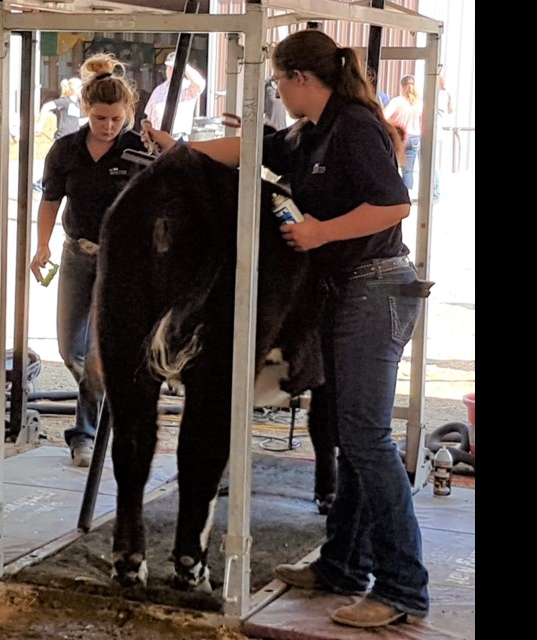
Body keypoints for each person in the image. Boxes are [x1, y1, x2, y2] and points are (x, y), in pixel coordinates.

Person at [146, 29, 430, 629]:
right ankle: (343, 567)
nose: (277, 90)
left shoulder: (355, 124)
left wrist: (321, 233)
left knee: (367, 439)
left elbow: (395, 204)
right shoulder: (309, 133)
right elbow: (255, 147)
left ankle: (404, 588)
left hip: (374, 287)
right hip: (343, 291)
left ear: (302, 78)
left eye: (278, 80)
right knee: (354, 442)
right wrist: (179, 154)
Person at [29, 53, 146, 467]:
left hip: (121, 262)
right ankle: (108, 395)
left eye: (116, 118)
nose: (109, 126)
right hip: (77, 253)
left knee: (99, 353)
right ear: (86, 110)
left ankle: (86, 434)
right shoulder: (66, 150)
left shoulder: (137, 151)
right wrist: (41, 245)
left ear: (128, 113)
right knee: (69, 348)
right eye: (100, 118)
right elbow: (49, 200)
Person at [33, 77, 84, 192]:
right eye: (80, 87)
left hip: (73, 138)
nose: (82, 90)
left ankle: (42, 183)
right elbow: (47, 107)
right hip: (63, 137)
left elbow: (76, 122)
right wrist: (40, 125)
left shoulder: (76, 105)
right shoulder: (65, 101)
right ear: (74, 89)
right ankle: (40, 183)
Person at [143, 51, 206, 139]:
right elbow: (149, 116)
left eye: (174, 68)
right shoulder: (158, 90)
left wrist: (185, 66)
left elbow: (200, 84)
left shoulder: (188, 88)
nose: (171, 71)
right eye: (169, 67)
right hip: (157, 138)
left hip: (178, 138)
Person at [383, 74, 423, 192]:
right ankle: (407, 196)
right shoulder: (419, 103)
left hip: (399, 137)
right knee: (408, 170)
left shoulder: (397, 101)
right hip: (415, 138)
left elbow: (383, 116)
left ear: (402, 86)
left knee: (391, 167)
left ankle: (392, 194)